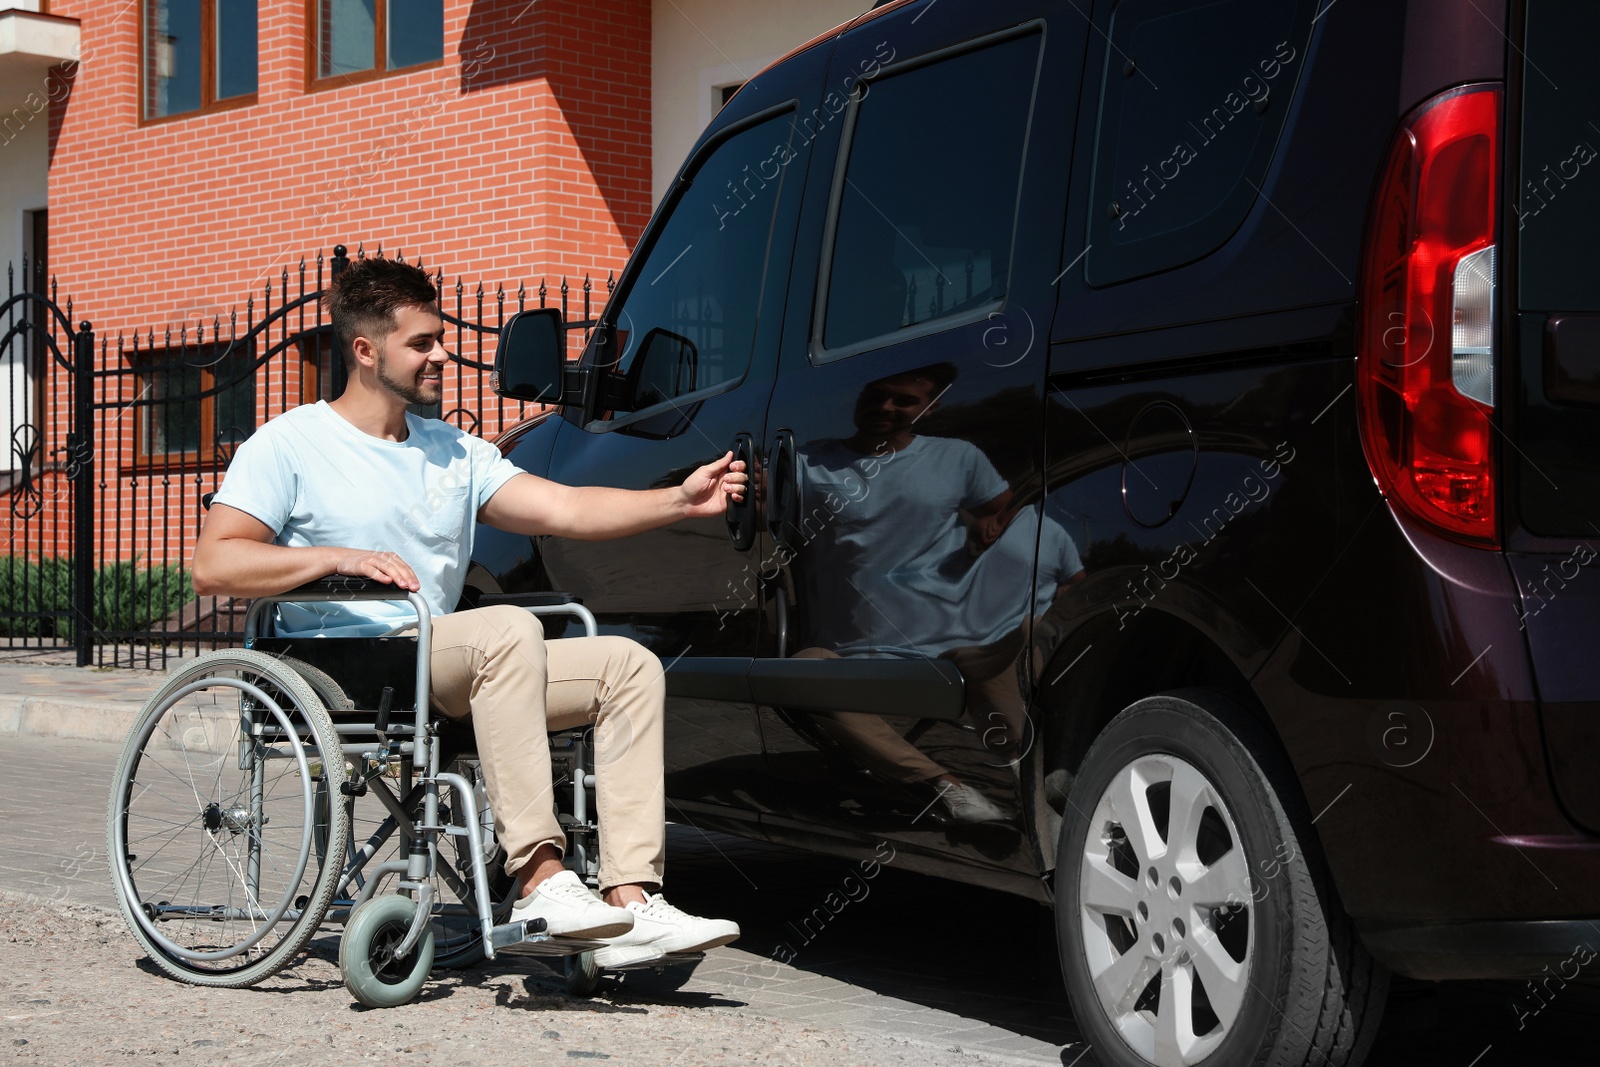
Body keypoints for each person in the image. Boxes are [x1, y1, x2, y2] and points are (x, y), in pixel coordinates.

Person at [191, 256, 746, 970]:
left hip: (439, 657)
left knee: (625, 664)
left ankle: (629, 902)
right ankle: (541, 879)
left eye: (441, 339)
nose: (442, 355)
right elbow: (215, 564)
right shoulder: (291, 442)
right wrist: (337, 557)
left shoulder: (455, 451)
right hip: (344, 664)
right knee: (506, 628)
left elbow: (566, 506)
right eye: (422, 342)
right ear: (366, 351)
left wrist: (678, 500)